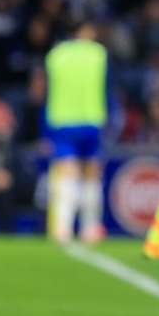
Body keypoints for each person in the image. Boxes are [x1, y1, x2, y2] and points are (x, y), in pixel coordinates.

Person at [45, 21, 108, 244]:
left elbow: (48, 87)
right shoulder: (98, 53)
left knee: (67, 172)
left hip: (62, 119)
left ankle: (63, 227)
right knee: (91, 173)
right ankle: (89, 227)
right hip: (91, 119)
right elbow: (107, 86)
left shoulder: (55, 55)